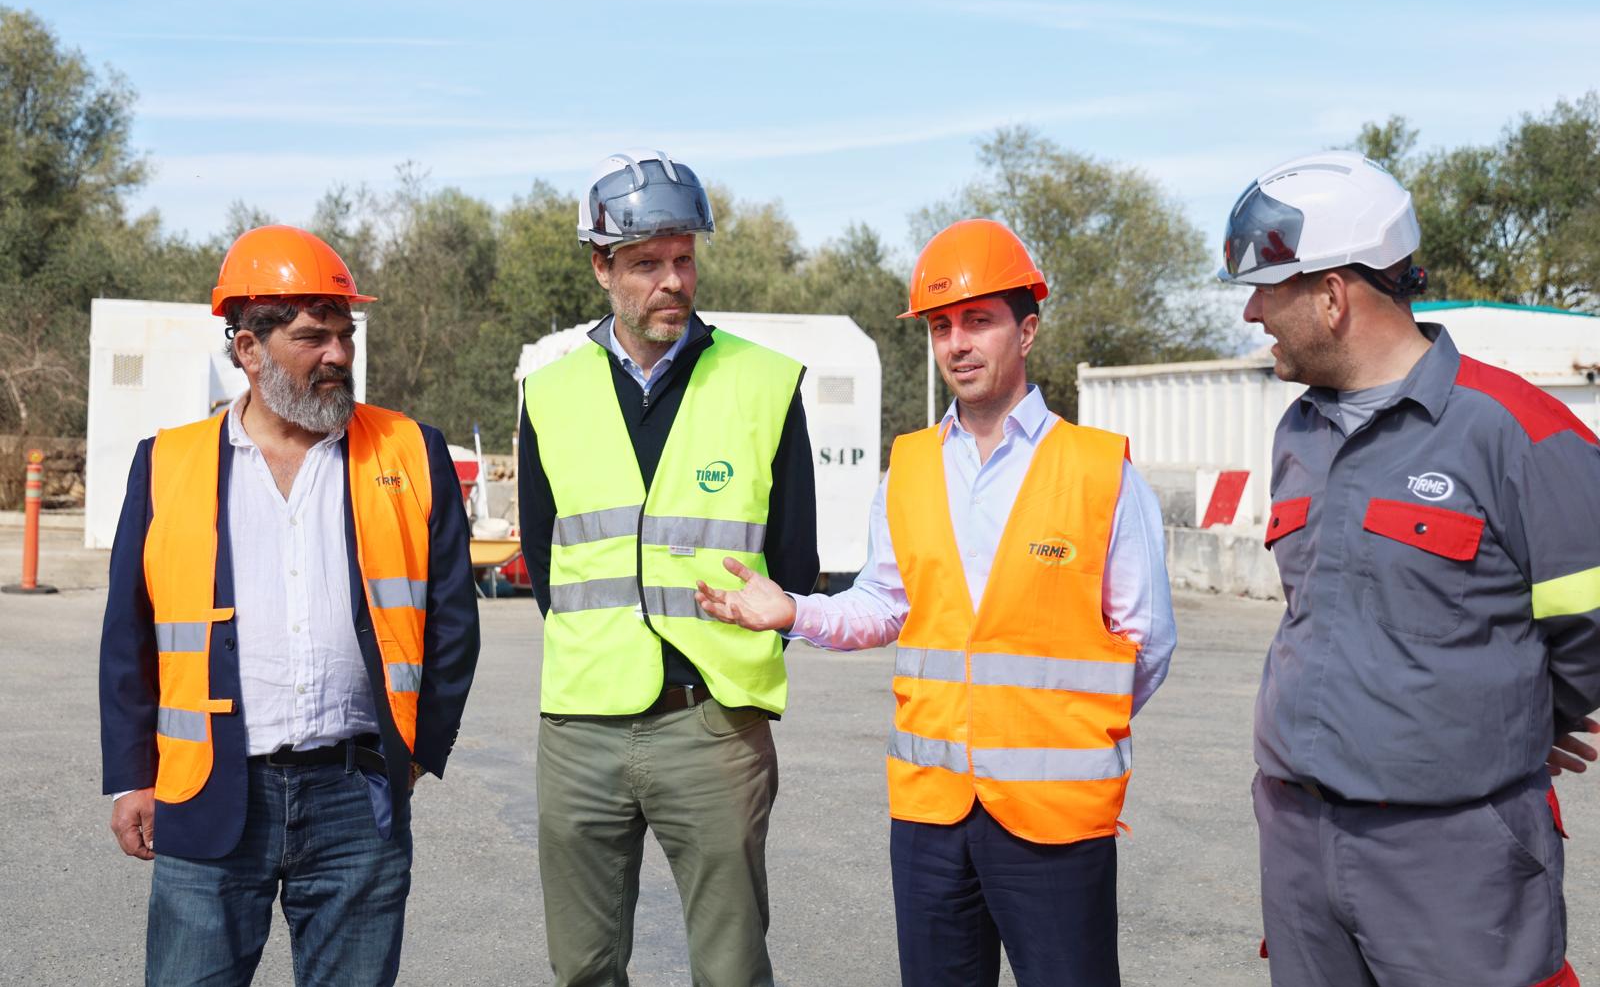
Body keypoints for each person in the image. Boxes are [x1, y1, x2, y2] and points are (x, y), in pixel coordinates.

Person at [697, 218, 1177, 987]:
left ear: (1027, 329)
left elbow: (1146, 642)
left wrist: (1070, 733)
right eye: (941, 324)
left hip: (1054, 819)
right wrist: (793, 609)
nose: (957, 343)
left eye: (978, 320)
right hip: (930, 816)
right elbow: (886, 604)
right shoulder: (910, 467)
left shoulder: (1101, 473)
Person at [1219, 150, 1600, 987]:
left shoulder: (1519, 431)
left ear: (1332, 294)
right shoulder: (1299, 435)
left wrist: (1520, 713)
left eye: (1266, 290)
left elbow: (1591, 622)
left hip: (1452, 857)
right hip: (1298, 840)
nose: (1251, 312)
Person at [99, 225, 481, 986]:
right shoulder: (168, 463)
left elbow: (452, 624)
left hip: (355, 797)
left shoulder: (409, 451)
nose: (338, 354)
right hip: (209, 791)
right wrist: (133, 776)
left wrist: (412, 755)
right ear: (248, 348)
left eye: (344, 334)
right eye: (313, 337)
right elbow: (129, 637)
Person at [518, 148, 819, 986]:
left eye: (684, 260)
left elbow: (795, 561)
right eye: (647, 263)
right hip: (582, 726)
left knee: (730, 969)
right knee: (582, 968)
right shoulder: (550, 394)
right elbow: (548, 564)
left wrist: (723, 673)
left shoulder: (764, 383)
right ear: (601, 267)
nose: (671, 281)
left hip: (714, 725)